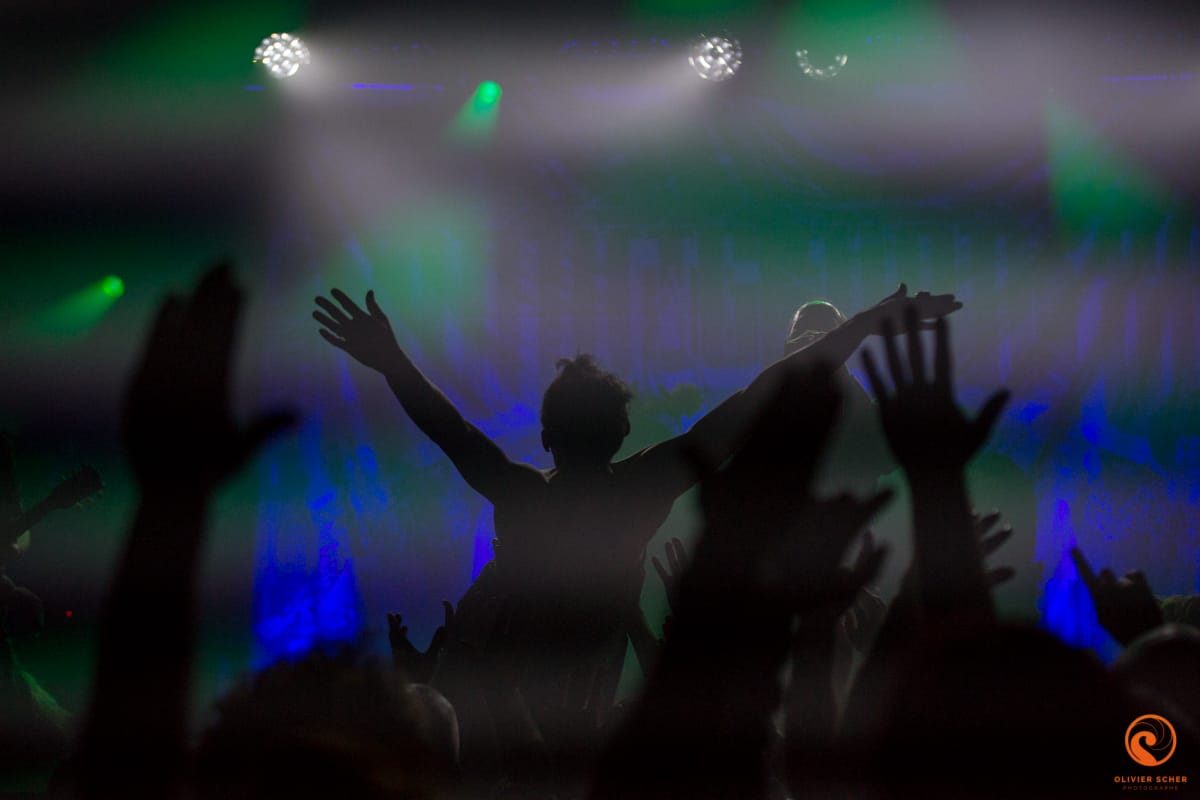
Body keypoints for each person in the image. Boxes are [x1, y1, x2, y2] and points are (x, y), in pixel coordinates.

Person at [311, 283, 960, 775]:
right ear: (622, 432)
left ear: (545, 435)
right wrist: (865, 325)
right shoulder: (641, 489)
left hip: (496, 715)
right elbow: (759, 397)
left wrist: (392, 360)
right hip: (553, 715)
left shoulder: (521, 495)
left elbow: (448, 428)